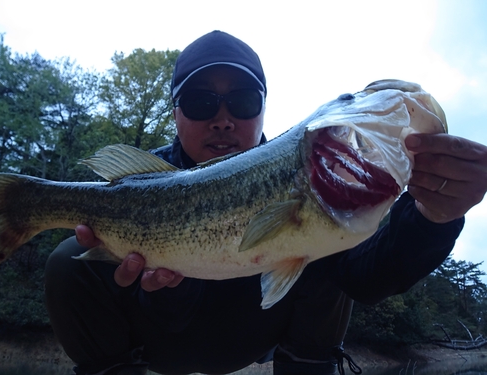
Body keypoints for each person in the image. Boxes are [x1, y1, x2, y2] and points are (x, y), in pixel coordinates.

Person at [44, 30, 487, 375]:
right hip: (157, 339)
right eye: (200, 103)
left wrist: (435, 218)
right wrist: (157, 291)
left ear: (262, 110)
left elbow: (367, 279)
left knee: (325, 244)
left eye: (242, 100)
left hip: (260, 337)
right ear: (174, 113)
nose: (223, 120)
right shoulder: (146, 177)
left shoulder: (313, 185)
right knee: (69, 260)